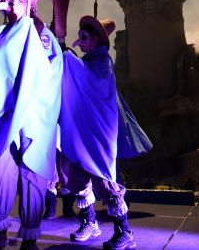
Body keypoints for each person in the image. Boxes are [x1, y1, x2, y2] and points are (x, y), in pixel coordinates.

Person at [0, 0, 63, 250]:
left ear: (30, 6)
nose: (9, 5)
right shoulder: (0, 35)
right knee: (0, 171)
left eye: (15, 0)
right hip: (5, 114)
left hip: (33, 117)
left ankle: (30, 234)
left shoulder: (43, 37)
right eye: (8, 1)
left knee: (33, 174)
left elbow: (50, 76)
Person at [60, 16, 143, 249]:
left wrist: (66, 55)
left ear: (97, 39)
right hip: (82, 130)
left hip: (99, 133)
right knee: (76, 177)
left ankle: (124, 232)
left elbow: (86, 79)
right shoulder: (88, 61)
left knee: (103, 180)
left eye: (85, 38)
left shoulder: (102, 63)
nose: (81, 42)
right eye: (80, 37)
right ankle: (90, 223)